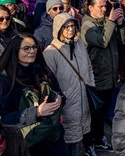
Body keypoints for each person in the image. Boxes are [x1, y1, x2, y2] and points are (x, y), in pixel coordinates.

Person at [0, 33, 67, 156]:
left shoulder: (43, 71)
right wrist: (36, 112)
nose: (32, 51)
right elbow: (2, 118)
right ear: (15, 51)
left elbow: (60, 93)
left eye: (34, 47)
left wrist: (59, 98)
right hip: (27, 143)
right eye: (26, 48)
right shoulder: (4, 81)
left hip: (53, 138)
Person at [81, 0, 125, 154]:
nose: (104, 9)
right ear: (90, 7)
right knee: (94, 114)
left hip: (111, 75)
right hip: (97, 77)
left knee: (103, 112)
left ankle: (99, 139)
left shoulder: (107, 22)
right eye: (100, 6)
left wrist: (120, 25)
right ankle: (90, 143)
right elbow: (102, 41)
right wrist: (112, 21)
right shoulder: (87, 25)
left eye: (105, 6)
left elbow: (122, 42)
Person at [43, 13, 95, 156]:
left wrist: (91, 85)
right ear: (58, 29)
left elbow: (88, 66)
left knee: (82, 135)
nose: (70, 29)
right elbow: (48, 82)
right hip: (67, 102)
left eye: (72, 25)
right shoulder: (50, 52)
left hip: (84, 99)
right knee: (69, 141)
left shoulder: (79, 44)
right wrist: (60, 98)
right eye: (65, 27)